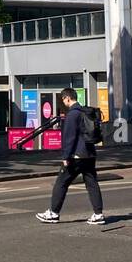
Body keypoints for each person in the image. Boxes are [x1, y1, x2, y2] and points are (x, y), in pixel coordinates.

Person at [35, 88, 105, 225]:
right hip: (90, 154)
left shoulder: (72, 115)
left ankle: (53, 213)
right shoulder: (85, 112)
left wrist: (66, 156)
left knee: (61, 183)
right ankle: (98, 214)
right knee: (92, 184)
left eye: (63, 100)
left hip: (76, 156)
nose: (64, 103)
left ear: (67, 98)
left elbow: (69, 138)